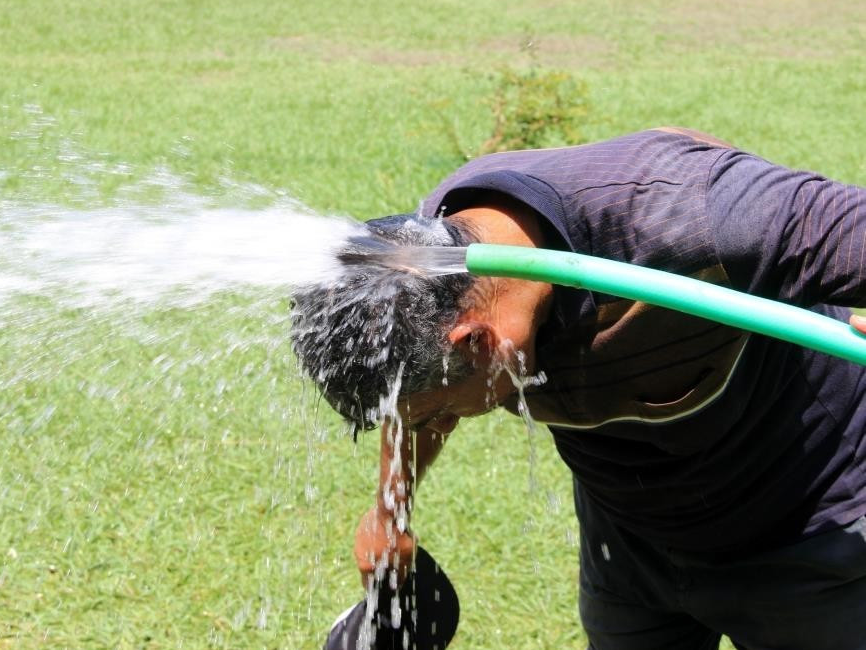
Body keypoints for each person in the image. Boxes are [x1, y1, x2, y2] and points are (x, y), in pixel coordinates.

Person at [291, 127, 866, 649]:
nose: (435, 426)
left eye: (439, 413)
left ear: (477, 343)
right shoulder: (428, 263)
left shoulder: (696, 213)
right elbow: (409, 393)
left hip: (807, 529)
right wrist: (391, 512)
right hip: (628, 545)